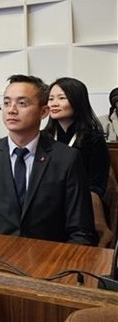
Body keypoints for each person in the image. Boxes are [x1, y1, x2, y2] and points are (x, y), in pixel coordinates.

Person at [0, 75, 97, 245]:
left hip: (50, 261)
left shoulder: (67, 159)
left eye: (22, 103)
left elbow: (81, 230)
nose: (11, 110)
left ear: (44, 112)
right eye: (6, 103)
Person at [44, 77, 111, 244]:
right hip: (48, 203)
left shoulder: (92, 138)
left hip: (82, 206)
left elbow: (98, 185)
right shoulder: (44, 137)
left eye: (61, 98)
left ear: (77, 101)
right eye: (51, 99)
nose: (54, 103)